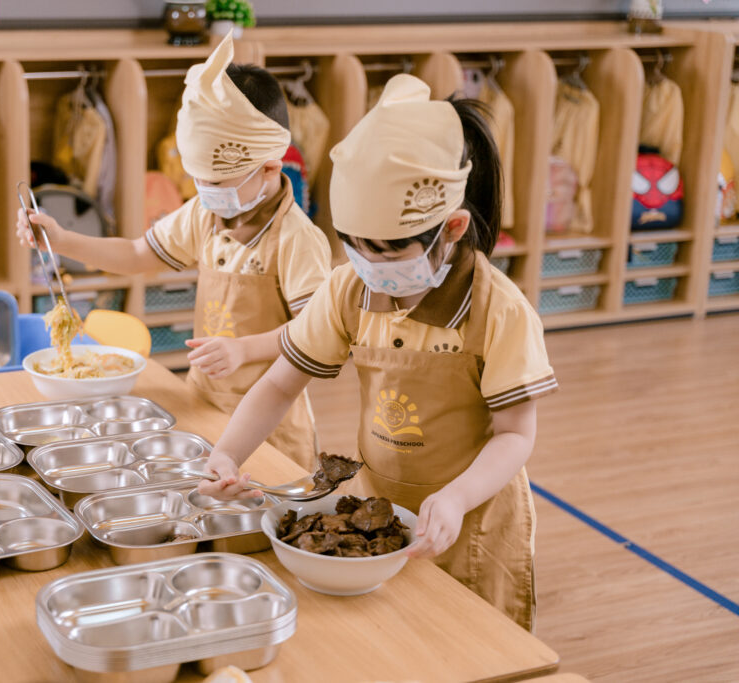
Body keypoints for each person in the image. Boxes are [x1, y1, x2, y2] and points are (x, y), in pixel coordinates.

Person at [196, 74, 558, 631]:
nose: (369, 266)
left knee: (466, 640)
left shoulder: (500, 312)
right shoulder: (349, 288)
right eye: (355, 246)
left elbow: (515, 435)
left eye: (388, 253)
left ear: (452, 228)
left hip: (471, 518)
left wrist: (457, 499)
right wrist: (227, 454)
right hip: (381, 511)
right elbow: (279, 383)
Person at [16, 34, 331, 469]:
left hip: (272, 426)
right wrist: (61, 239)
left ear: (269, 168)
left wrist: (244, 349)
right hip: (202, 402)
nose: (204, 191)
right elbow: (135, 254)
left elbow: (314, 332)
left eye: (216, 183)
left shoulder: (298, 239)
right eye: (197, 178)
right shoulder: (205, 212)